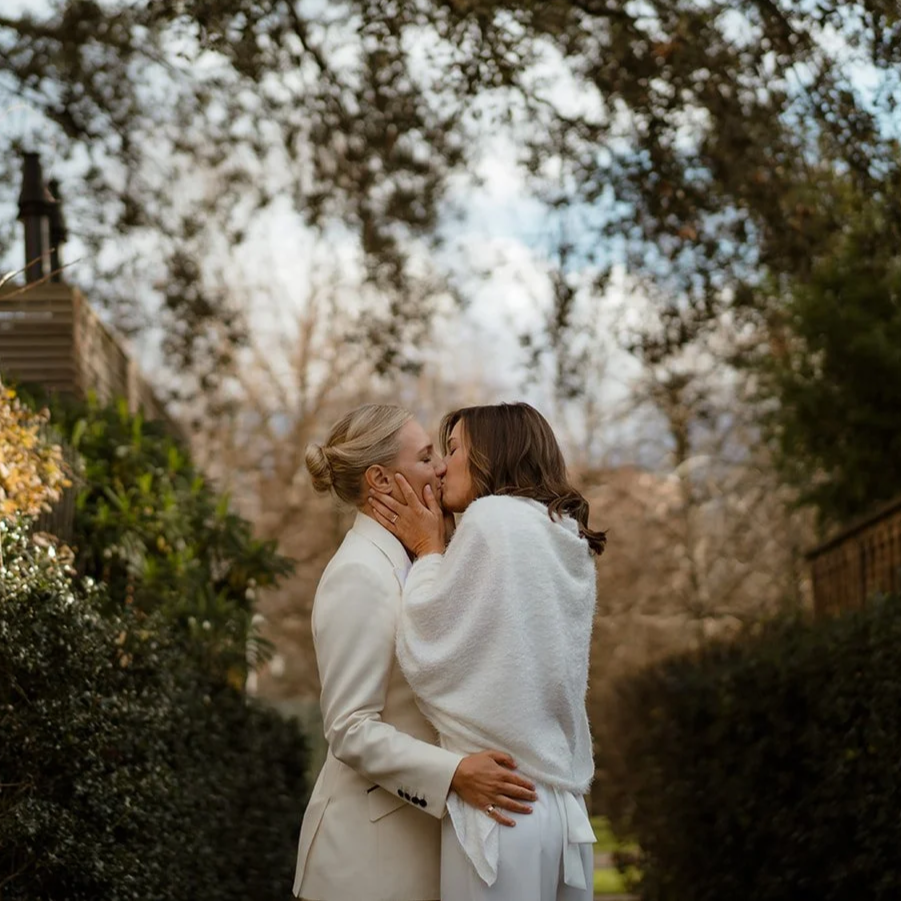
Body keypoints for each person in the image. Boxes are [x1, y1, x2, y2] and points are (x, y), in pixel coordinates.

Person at [293, 403, 538, 901]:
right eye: (427, 458)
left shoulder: (420, 560)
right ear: (381, 481)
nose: (442, 468)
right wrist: (455, 774)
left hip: (418, 849)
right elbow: (349, 727)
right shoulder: (358, 573)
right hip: (367, 862)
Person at [367, 402, 605, 901]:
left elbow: (430, 647)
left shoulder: (492, 518)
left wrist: (429, 552)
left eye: (453, 450)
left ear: (492, 455)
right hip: (561, 809)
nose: (441, 466)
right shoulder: (560, 532)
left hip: (499, 803)